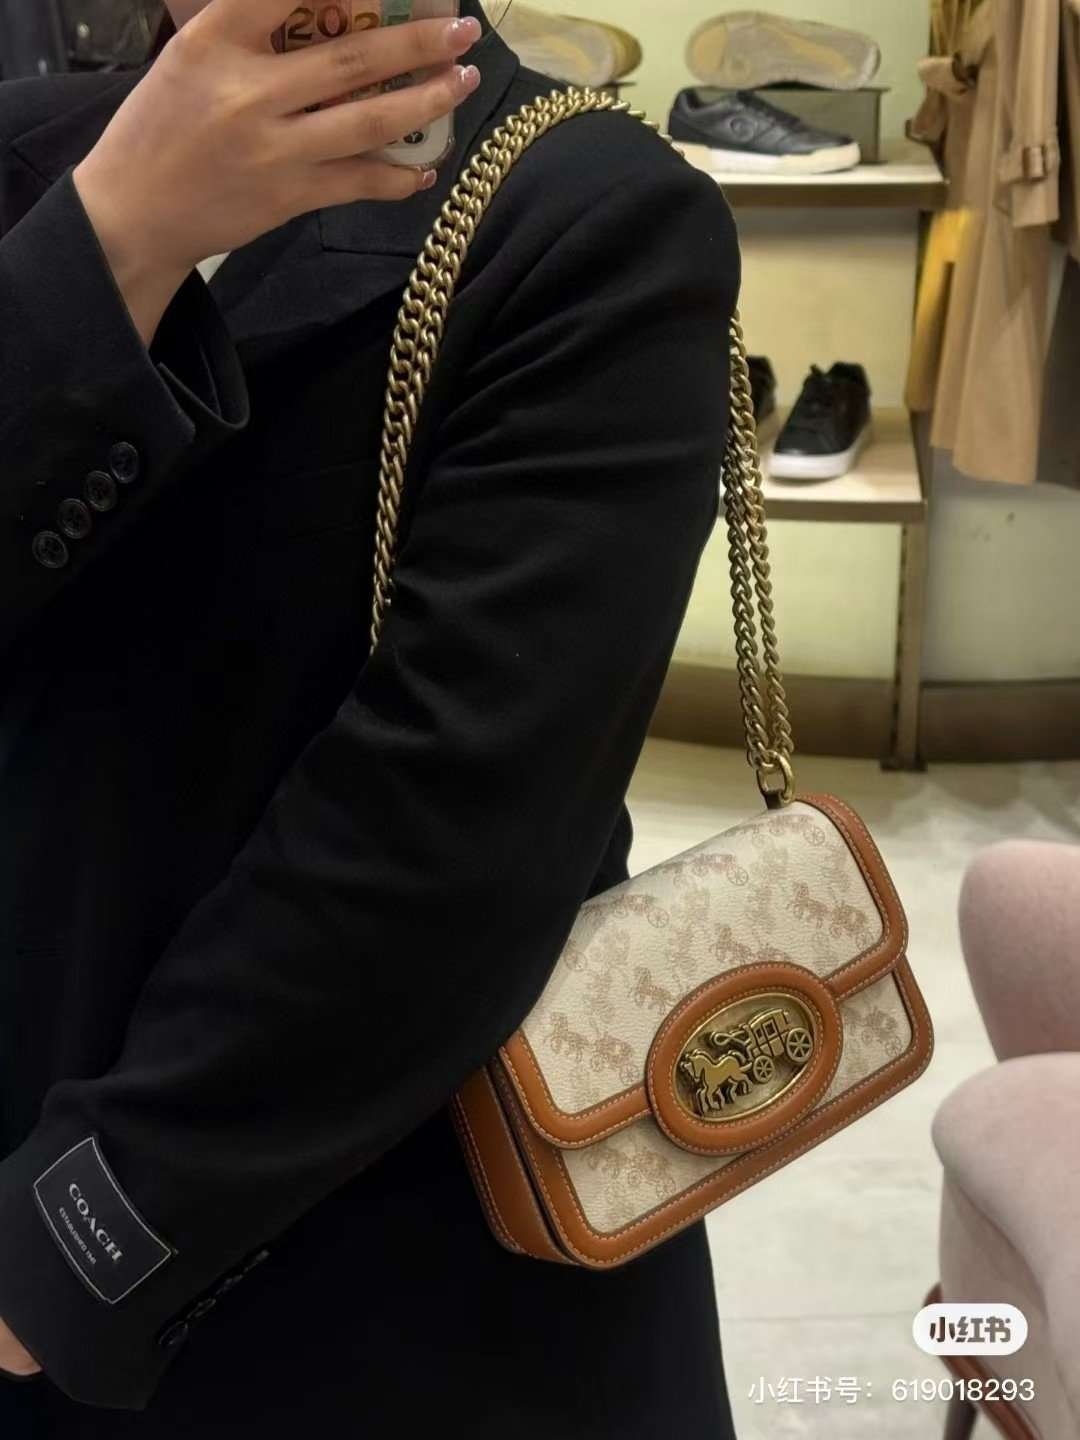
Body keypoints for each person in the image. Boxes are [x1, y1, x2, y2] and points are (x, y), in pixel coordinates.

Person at [0, 1, 741, 1434]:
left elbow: (449, 833)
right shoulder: (36, 163)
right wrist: (119, 238)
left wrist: (73, 1242)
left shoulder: (590, 212)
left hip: (387, 1246)